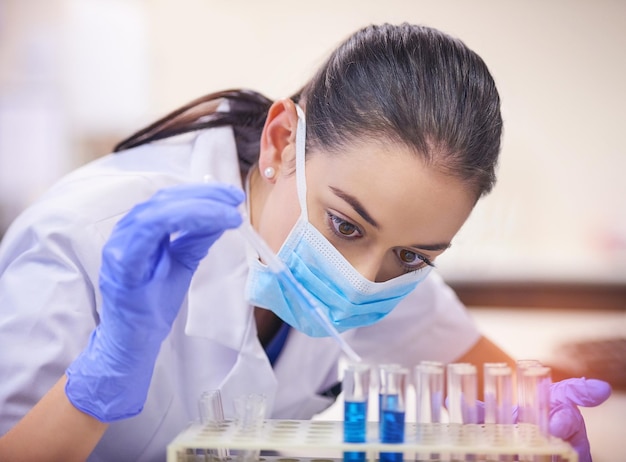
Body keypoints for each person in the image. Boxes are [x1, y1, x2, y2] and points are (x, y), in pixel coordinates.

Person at [0, 23, 610, 462]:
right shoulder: (80, 237)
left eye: (414, 255)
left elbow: (497, 380)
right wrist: (98, 385)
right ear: (281, 142)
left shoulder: (388, 270)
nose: (362, 280)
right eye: (345, 225)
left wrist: (530, 418)